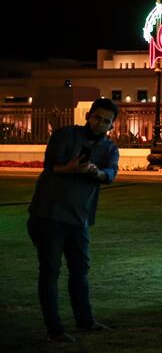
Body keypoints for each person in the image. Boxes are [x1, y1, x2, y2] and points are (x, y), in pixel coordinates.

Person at [27, 98, 120, 343]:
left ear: (111, 126)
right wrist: (69, 168)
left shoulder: (109, 148)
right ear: (88, 115)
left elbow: (110, 174)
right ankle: (54, 329)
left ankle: (85, 321)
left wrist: (95, 172)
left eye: (106, 121)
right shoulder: (65, 135)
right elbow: (51, 166)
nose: (100, 123)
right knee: (50, 271)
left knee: (80, 270)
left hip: (79, 220)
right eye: (97, 117)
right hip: (49, 215)